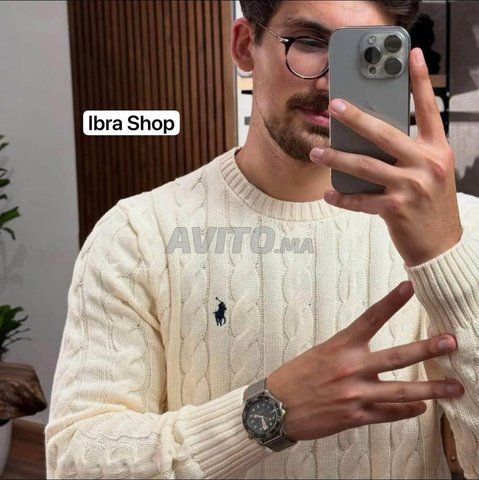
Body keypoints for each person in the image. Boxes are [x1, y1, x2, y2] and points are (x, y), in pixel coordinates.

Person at [46, 1, 479, 478]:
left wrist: (446, 264)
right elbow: (74, 462)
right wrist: (269, 412)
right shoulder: (138, 234)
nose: (332, 84)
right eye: (310, 42)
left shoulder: (461, 226)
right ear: (243, 46)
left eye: (367, 54)